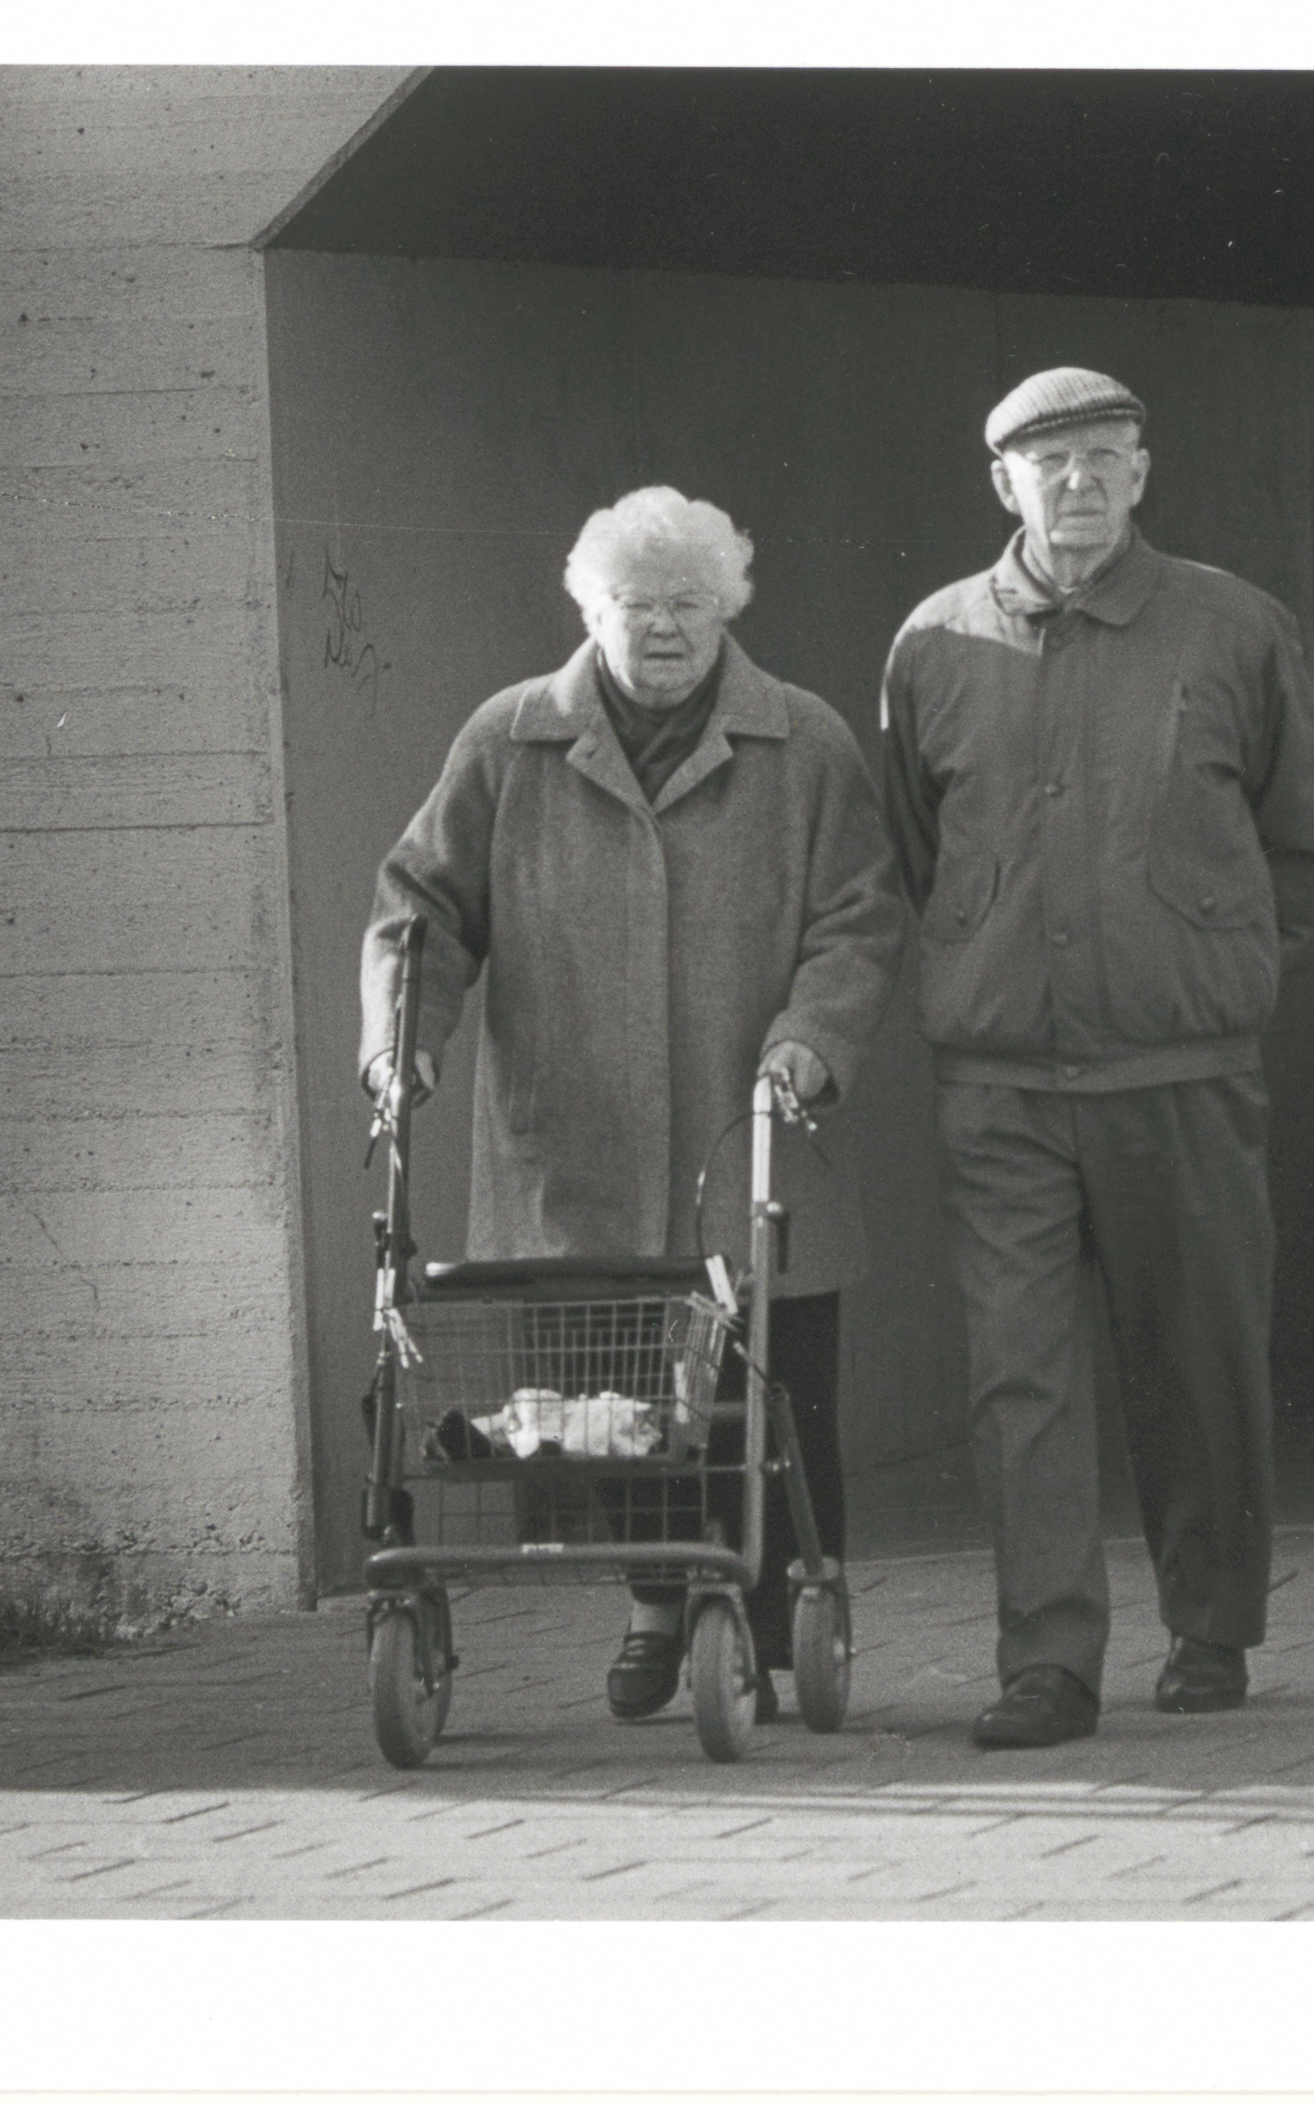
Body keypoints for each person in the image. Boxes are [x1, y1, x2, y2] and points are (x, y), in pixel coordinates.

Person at [362, 486, 903, 1722]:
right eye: (636, 603)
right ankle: (664, 1603)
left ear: (729, 610)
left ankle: (773, 1621)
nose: (663, 628)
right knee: (606, 1407)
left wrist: (811, 1038)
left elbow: (861, 914)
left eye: (690, 604)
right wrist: (403, 1042)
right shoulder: (508, 741)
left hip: (747, 1132)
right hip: (575, 1144)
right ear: (589, 609)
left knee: (772, 1398)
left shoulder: (805, 742)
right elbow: (420, 907)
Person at [879, 369, 1314, 1749]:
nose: (1075, 482)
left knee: (1197, 1356)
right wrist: (991, 957)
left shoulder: (1234, 626)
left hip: (1179, 1070)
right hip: (1003, 1082)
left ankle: (1211, 1624)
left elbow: (1299, 840)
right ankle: (1047, 1663)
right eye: (1048, 461)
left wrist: (1208, 967)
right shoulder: (933, 642)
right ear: (1001, 483)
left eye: (1101, 457)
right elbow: (917, 844)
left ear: (1140, 474)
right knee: (1017, 1375)